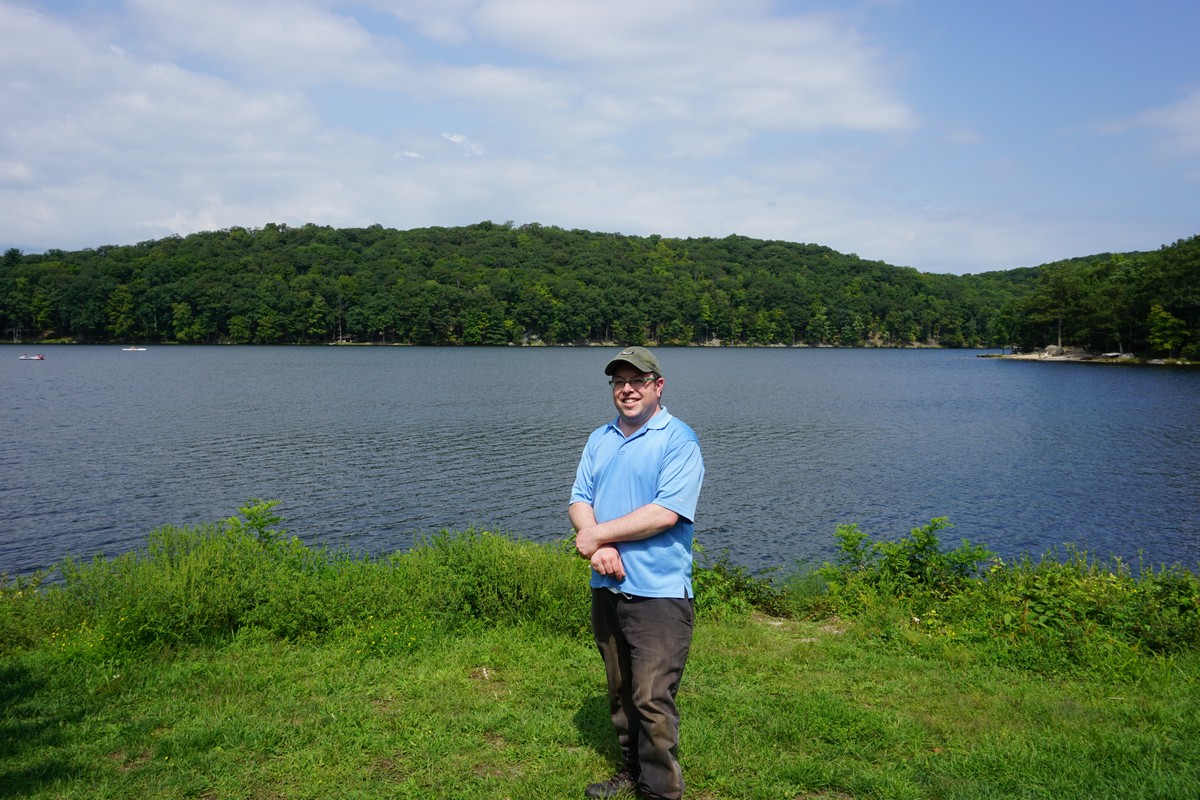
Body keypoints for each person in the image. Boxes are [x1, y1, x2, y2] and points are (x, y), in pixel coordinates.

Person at [570, 346, 705, 800]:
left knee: (652, 697)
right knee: (621, 690)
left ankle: (660, 791)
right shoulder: (600, 438)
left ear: (657, 386)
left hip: (659, 592)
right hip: (607, 585)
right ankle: (632, 772)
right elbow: (579, 499)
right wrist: (597, 542)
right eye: (618, 382)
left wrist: (598, 537)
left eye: (638, 381)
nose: (627, 389)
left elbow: (665, 512)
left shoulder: (679, 439)